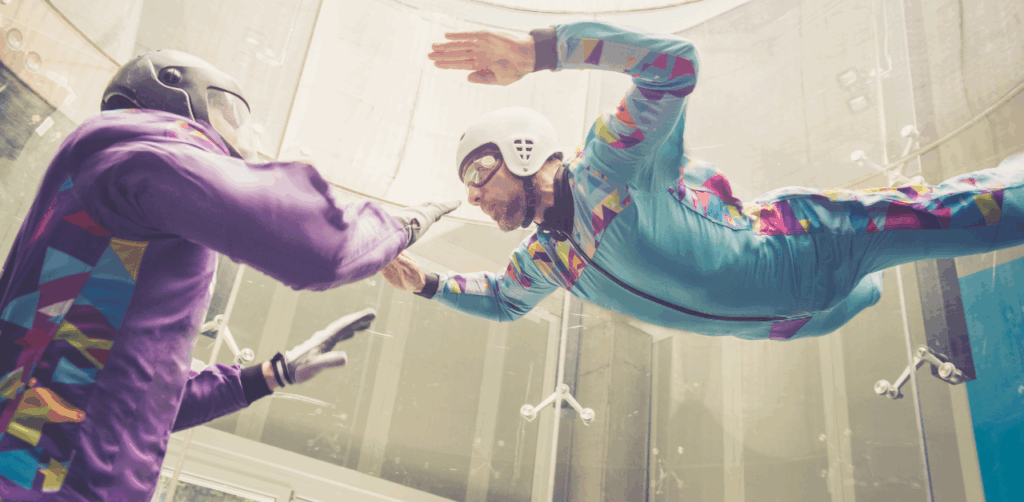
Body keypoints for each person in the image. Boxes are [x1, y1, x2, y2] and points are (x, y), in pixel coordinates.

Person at [0, 50, 458, 500]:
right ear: (175, 94)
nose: (245, 133)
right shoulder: (146, 152)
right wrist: (406, 223)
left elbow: (123, 399)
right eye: (229, 111)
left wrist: (264, 377)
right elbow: (320, 249)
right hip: (41, 482)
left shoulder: (104, 192)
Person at [382, 21, 1024, 341]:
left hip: (812, 244)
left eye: (478, 172)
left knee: (989, 214)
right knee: (870, 295)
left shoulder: (607, 167)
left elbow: (673, 66)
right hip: (802, 319)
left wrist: (540, 50)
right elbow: (501, 301)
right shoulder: (547, 258)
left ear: (525, 149)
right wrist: (430, 284)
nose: (470, 195)